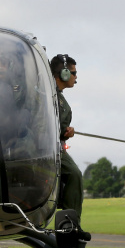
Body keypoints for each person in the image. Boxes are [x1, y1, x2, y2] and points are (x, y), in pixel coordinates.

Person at [49, 53, 82, 217]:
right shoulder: (49, 95)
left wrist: (66, 132)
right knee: (74, 174)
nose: (76, 77)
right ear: (64, 73)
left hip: (53, 145)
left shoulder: (56, 96)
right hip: (47, 147)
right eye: (73, 73)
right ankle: (70, 222)